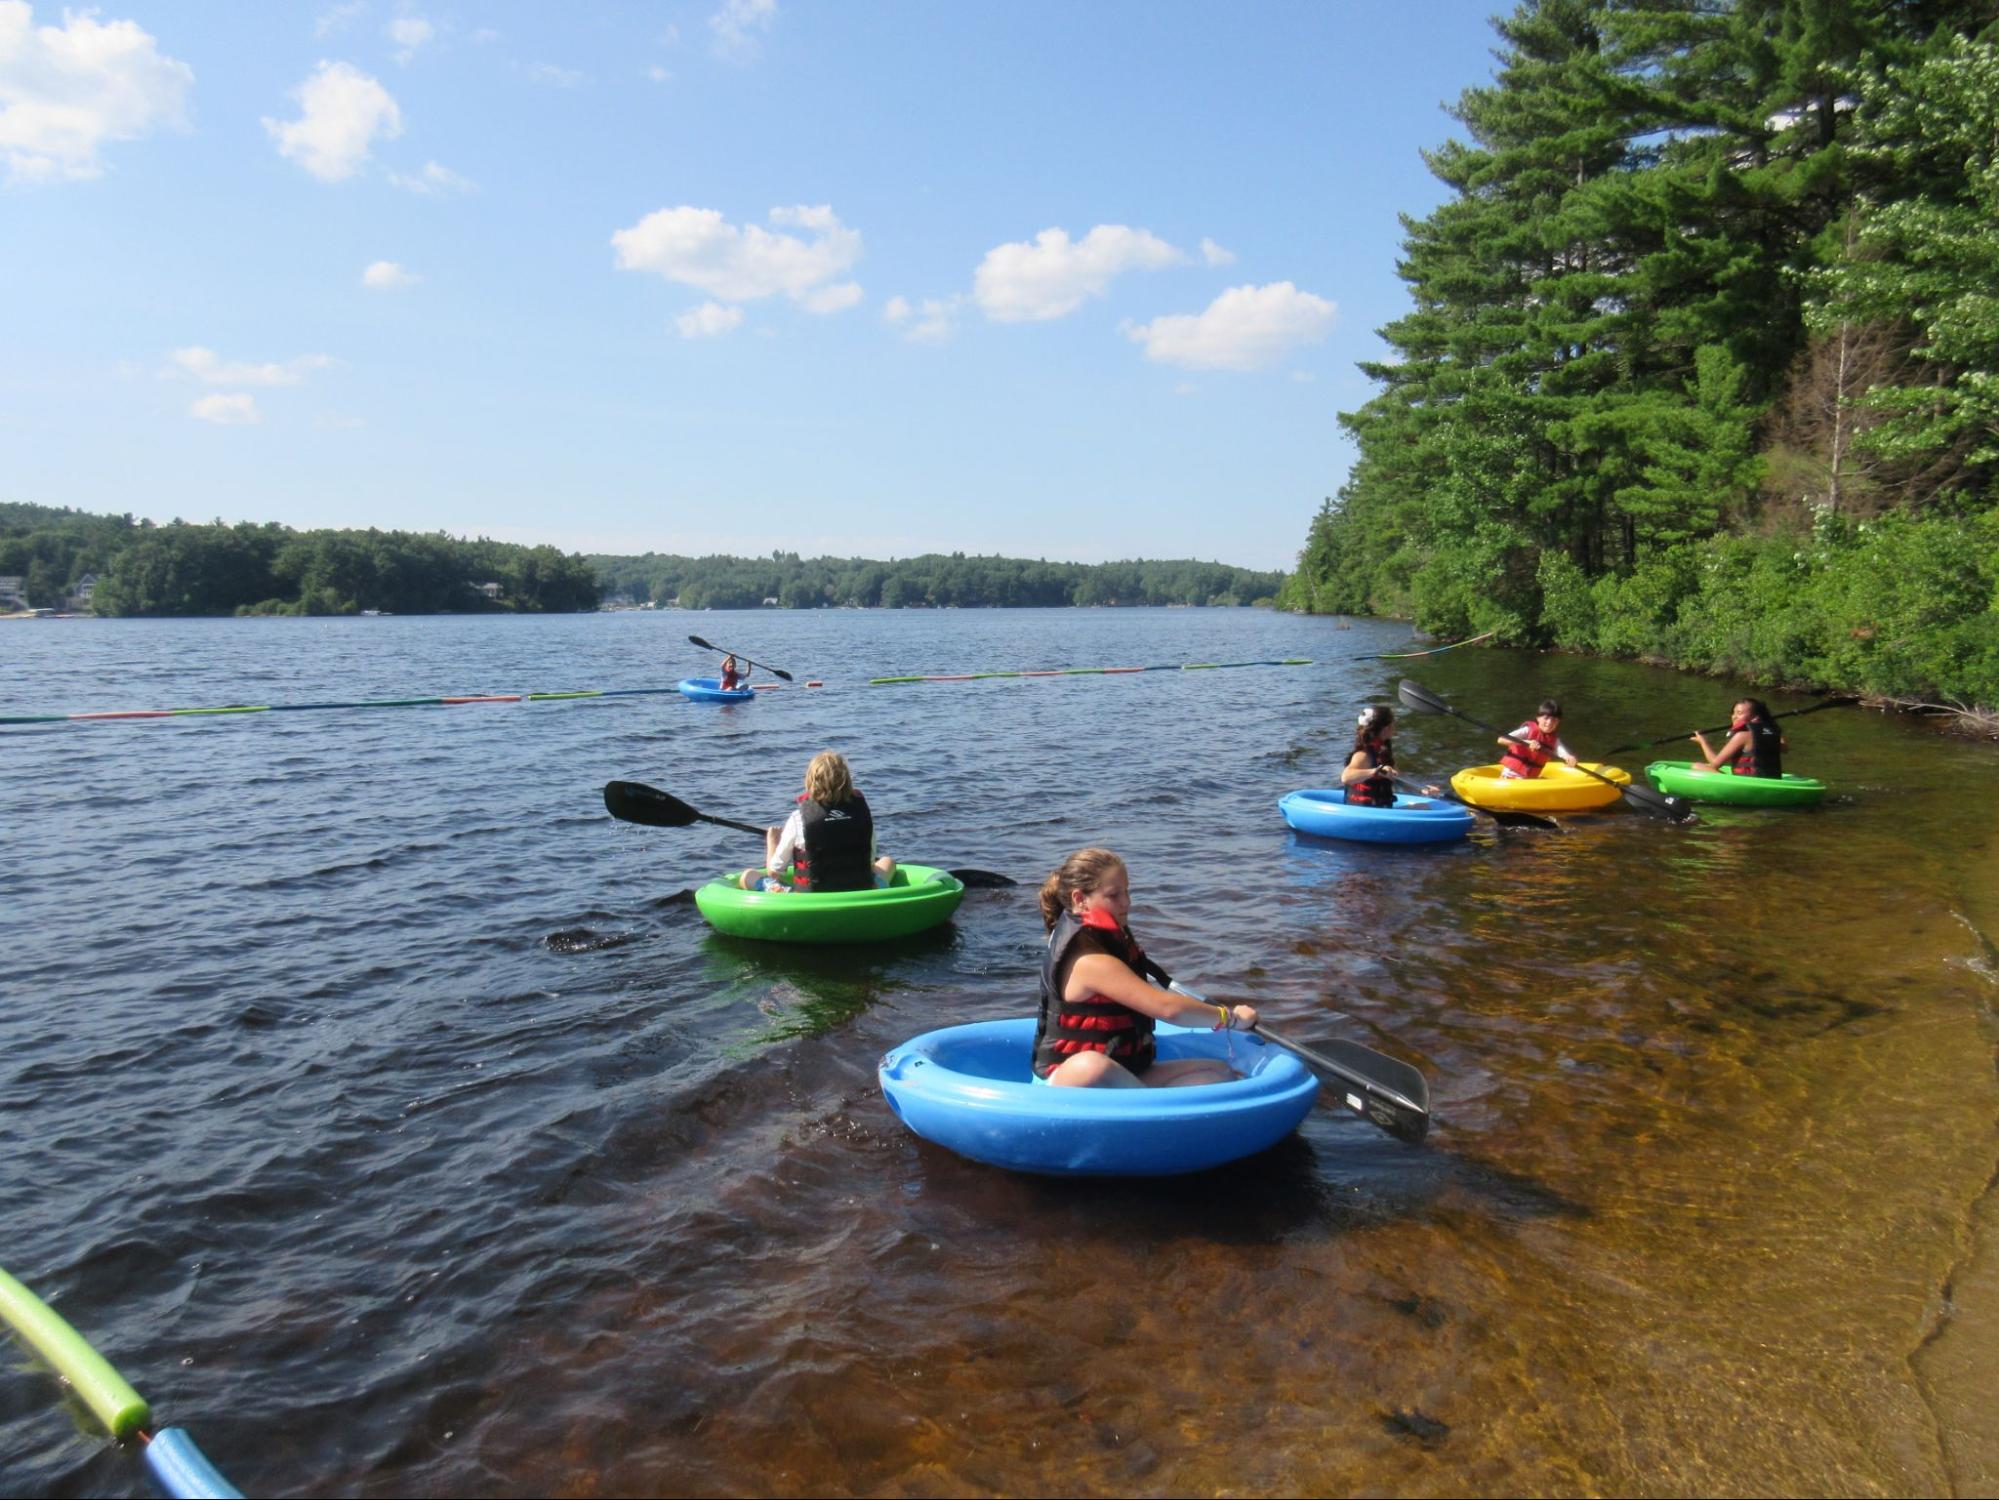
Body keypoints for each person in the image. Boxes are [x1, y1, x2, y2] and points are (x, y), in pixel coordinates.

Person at [1032, 848, 1257, 1088]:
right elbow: (1167, 1008)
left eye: (1127, 891)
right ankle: (1150, 1109)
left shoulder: (1102, 938)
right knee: (1090, 1066)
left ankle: (1151, 1106)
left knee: (1220, 1073)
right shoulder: (1089, 961)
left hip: (1121, 1072)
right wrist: (1230, 1018)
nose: (1126, 902)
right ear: (1079, 899)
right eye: (1114, 895)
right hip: (1067, 1084)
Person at [738, 750, 897, 893]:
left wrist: (772, 842)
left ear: (810, 782)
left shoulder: (797, 819)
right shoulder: (862, 815)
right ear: (847, 781)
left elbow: (774, 872)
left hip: (810, 899)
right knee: (887, 862)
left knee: (748, 876)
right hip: (860, 891)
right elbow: (869, 864)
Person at [1341, 705, 1442, 806]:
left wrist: (1422, 789)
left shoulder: (1382, 753)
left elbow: (1399, 778)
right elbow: (1346, 777)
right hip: (1363, 813)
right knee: (1426, 809)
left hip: (1380, 810)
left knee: (1426, 807)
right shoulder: (1363, 755)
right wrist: (1376, 771)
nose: (1395, 727)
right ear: (1386, 729)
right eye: (1393, 722)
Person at [1692, 698, 1786, 778]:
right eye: (1733, 713)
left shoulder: (1742, 736)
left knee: (1697, 766)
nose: (1734, 717)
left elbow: (1714, 764)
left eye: (1739, 713)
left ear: (1755, 718)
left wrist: (1703, 742)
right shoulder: (1775, 736)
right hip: (1771, 781)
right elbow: (1785, 748)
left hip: (1749, 783)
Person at [1498, 698, 1581, 779]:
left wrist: (1570, 758)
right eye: (1546, 718)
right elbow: (1501, 739)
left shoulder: (1554, 740)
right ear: (1538, 718)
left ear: (1558, 722)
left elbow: (1564, 754)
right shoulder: (1527, 730)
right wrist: (1526, 742)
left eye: (1554, 720)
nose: (1549, 723)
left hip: (1530, 780)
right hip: (1510, 777)